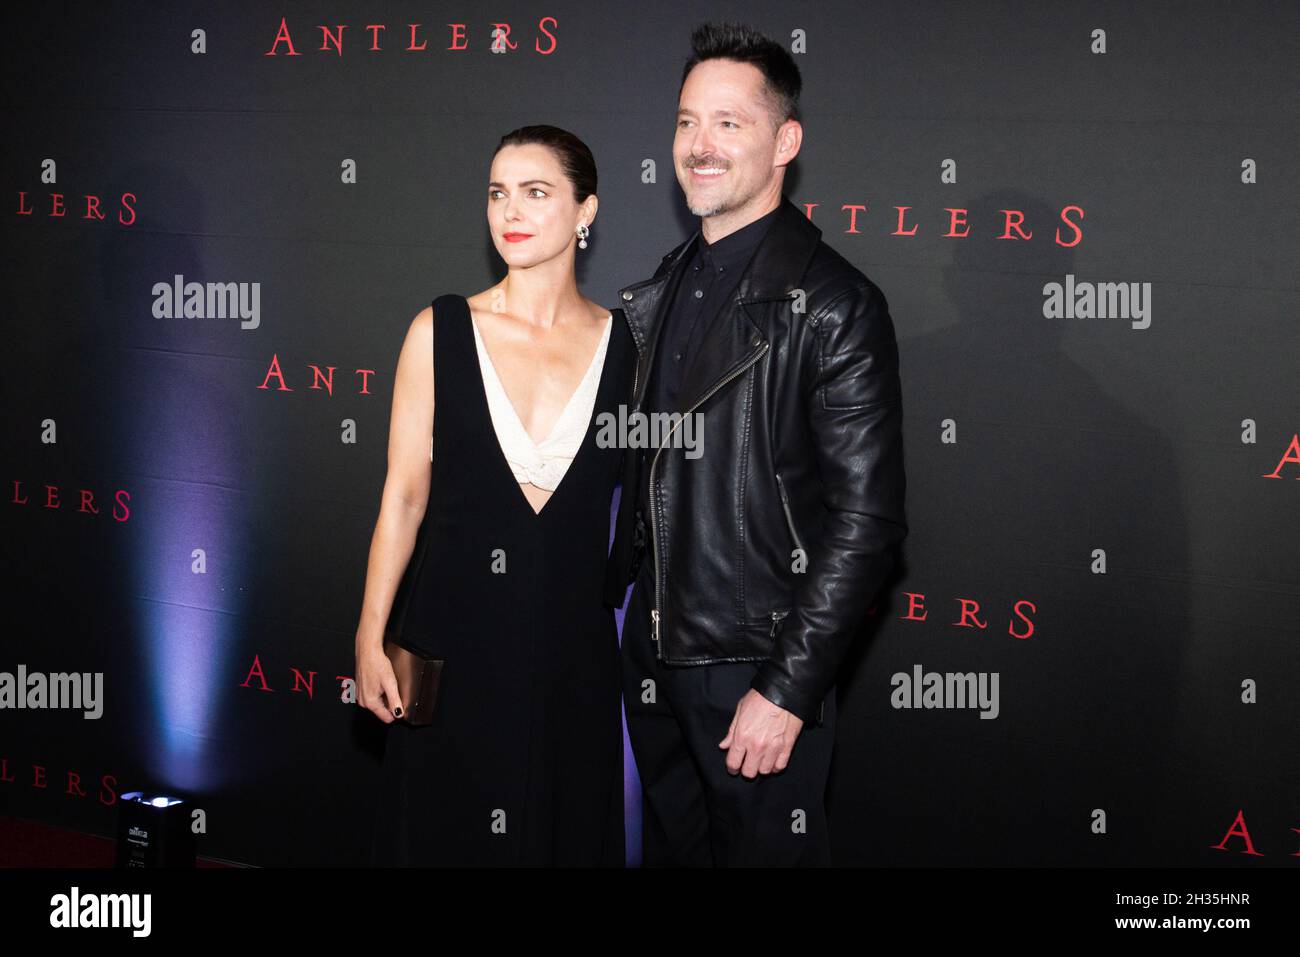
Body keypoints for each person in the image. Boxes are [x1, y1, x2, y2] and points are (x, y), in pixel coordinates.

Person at [605, 22, 908, 866]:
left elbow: (868, 522)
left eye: (728, 124)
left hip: (755, 671)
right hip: (657, 665)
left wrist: (786, 689)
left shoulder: (837, 304)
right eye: (686, 122)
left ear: (786, 141)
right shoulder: (662, 285)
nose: (700, 146)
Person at [355, 125, 634, 866]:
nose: (510, 209)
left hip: (572, 651)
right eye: (497, 192)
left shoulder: (629, 347)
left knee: (563, 830)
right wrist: (369, 630)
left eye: (536, 192)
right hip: (452, 638)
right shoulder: (440, 330)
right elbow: (404, 495)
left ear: (586, 210)